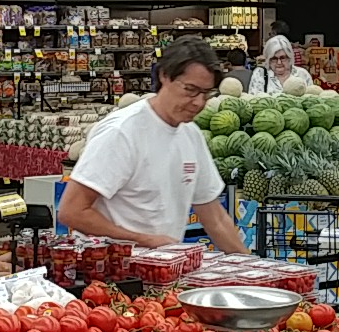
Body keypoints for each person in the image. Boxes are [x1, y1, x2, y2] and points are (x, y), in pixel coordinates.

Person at [60, 36, 249, 252]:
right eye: (190, 89)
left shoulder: (191, 135)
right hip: (114, 266)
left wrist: (252, 266)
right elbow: (72, 211)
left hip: (165, 266)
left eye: (206, 93)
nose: (198, 102)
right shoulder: (121, 132)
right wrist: (144, 240)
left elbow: (215, 219)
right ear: (164, 76)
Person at [248, 34, 312, 93]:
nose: (279, 62)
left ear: (289, 57)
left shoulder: (302, 74)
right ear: (268, 60)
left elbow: (311, 98)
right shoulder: (260, 74)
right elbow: (254, 99)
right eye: (274, 58)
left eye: (282, 58)